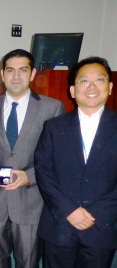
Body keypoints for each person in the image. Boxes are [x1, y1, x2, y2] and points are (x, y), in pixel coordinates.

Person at [0, 49, 64, 268]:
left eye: (22, 70)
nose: (16, 76)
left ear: (32, 73)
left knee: (28, 263)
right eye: (10, 70)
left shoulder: (51, 108)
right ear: (1, 74)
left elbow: (58, 155)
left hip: (31, 203)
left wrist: (29, 177)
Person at [34, 56, 117, 268]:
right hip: (59, 226)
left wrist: (96, 214)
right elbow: (43, 171)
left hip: (102, 228)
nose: (91, 86)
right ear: (72, 90)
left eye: (99, 80)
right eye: (83, 81)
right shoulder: (53, 127)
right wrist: (68, 210)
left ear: (109, 87)